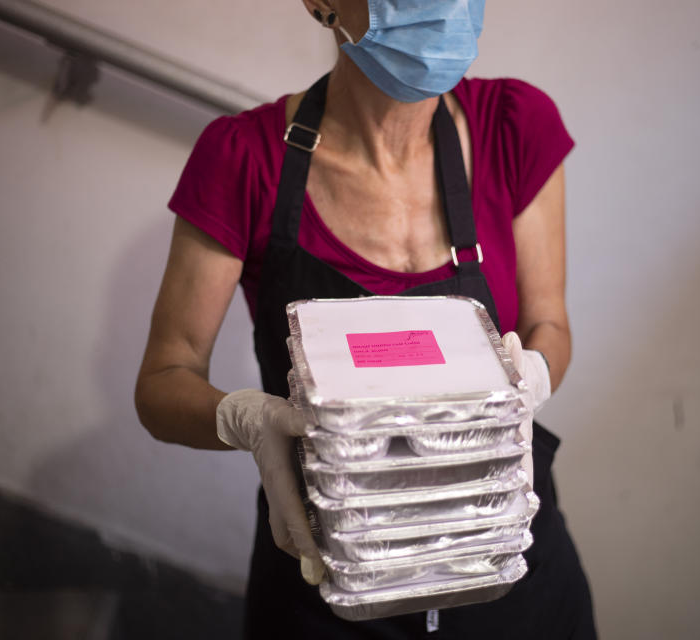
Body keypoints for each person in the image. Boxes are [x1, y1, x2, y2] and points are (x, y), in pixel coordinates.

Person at [134, 0, 596, 637]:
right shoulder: (243, 158)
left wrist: (536, 370)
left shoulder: (514, 126)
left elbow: (551, 323)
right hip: (325, 585)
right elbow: (164, 378)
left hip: (511, 576)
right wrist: (246, 420)